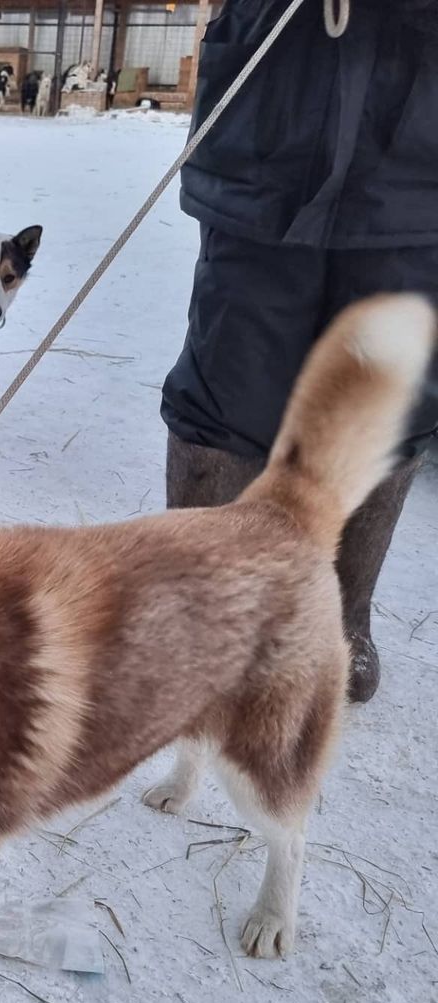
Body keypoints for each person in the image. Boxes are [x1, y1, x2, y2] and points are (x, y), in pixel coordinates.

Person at [161, 0, 438, 703]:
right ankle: (203, 615)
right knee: (227, 388)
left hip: (420, 143)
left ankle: (342, 613)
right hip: (271, 111)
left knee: (389, 398)